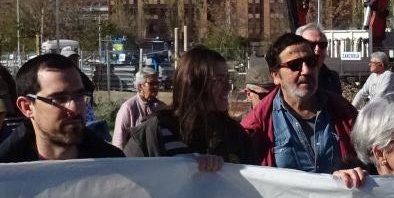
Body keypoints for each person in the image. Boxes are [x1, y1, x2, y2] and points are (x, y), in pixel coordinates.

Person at [242, 32, 357, 172]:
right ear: (276, 76)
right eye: (295, 65)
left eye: (311, 62)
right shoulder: (258, 123)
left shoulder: (344, 112)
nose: (306, 71)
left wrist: (356, 171)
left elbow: (373, 159)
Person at [125, 46, 253, 161]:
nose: (228, 87)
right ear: (194, 85)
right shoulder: (152, 134)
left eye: (227, 79)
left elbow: (252, 181)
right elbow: (126, 182)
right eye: (219, 80)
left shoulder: (234, 135)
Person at [0, 54, 124, 162]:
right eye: (60, 99)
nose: (73, 108)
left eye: (79, 96)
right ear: (27, 107)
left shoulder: (114, 165)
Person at [113, 70, 162, 148]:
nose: (156, 87)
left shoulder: (161, 107)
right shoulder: (128, 108)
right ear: (140, 86)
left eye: (157, 83)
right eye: (152, 83)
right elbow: (118, 142)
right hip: (133, 157)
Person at [296, 23, 345, 96]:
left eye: (322, 45)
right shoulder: (291, 75)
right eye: (311, 44)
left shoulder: (332, 78)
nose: (317, 49)